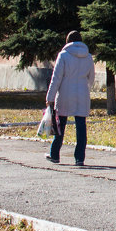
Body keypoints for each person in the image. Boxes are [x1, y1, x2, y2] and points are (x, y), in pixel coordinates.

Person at [44, 30, 94, 165]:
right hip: (82, 94)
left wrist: (50, 97)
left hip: (65, 94)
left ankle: (54, 155)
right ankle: (79, 158)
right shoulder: (88, 56)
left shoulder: (63, 55)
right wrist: (85, 88)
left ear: (67, 41)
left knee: (60, 124)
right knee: (81, 126)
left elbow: (56, 78)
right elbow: (91, 79)